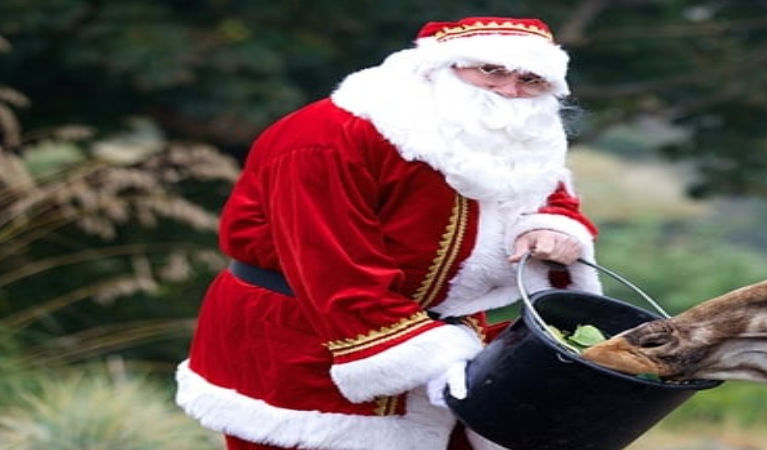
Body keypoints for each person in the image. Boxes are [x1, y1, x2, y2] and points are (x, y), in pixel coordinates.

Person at [173, 16, 602, 450]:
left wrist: (549, 228)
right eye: (491, 71)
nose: (510, 90)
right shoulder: (329, 137)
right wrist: (426, 359)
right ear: (436, 67)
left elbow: (547, 191)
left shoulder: (520, 133)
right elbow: (331, 265)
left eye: (531, 80)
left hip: (451, 339)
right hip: (304, 341)